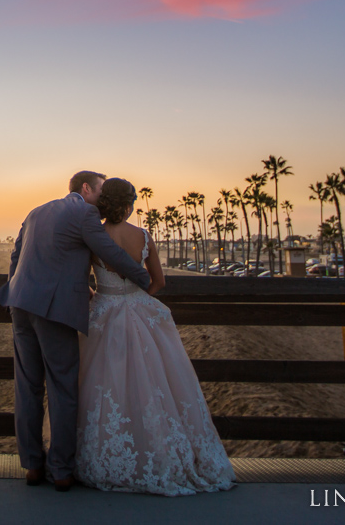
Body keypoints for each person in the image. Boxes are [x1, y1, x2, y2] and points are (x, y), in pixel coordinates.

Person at [75, 178, 235, 495]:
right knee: (153, 386)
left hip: (103, 314)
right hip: (138, 312)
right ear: (128, 205)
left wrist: (102, 295)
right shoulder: (143, 236)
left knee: (102, 387)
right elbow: (159, 282)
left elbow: (81, 282)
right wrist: (136, 297)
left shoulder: (93, 237)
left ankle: (104, 457)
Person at [0, 171, 152, 492]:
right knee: (63, 386)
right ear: (85, 188)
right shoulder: (85, 213)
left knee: (27, 387)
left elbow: (17, 256)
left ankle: (33, 466)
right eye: (100, 189)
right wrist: (144, 279)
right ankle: (62, 470)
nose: (103, 196)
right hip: (54, 310)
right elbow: (110, 253)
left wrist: (15, 291)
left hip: (20, 304)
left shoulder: (37, 211)